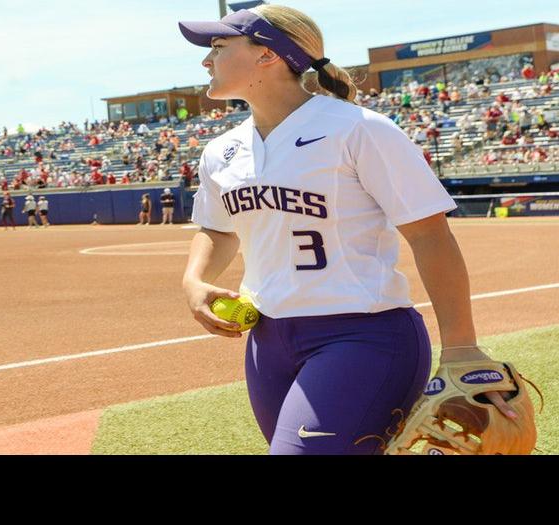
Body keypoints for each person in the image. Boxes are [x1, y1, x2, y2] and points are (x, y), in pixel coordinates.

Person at [178, 5, 518, 455]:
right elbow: (218, 229)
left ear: (269, 56)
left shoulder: (359, 130)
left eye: (219, 47)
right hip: (267, 344)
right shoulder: (222, 151)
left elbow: (429, 235)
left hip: (362, 336)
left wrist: (461, 348)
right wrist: (194, 279)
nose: (206, 60)